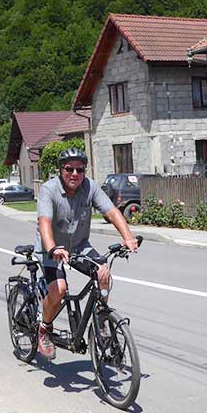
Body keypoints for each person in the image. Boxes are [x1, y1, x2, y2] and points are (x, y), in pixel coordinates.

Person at [35, 147, 139, 361]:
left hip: (79, 246)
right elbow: (44, 222)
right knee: (59, 289)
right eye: (69, 169)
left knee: (103, 273)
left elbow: (112, 211)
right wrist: (52, 248)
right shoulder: (49, 189)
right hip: (52, 248)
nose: (75, 174)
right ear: (60, 170)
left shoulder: (90, 187)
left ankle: (101, 321)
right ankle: (43, 330)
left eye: (80, 170)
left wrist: (128, 237)